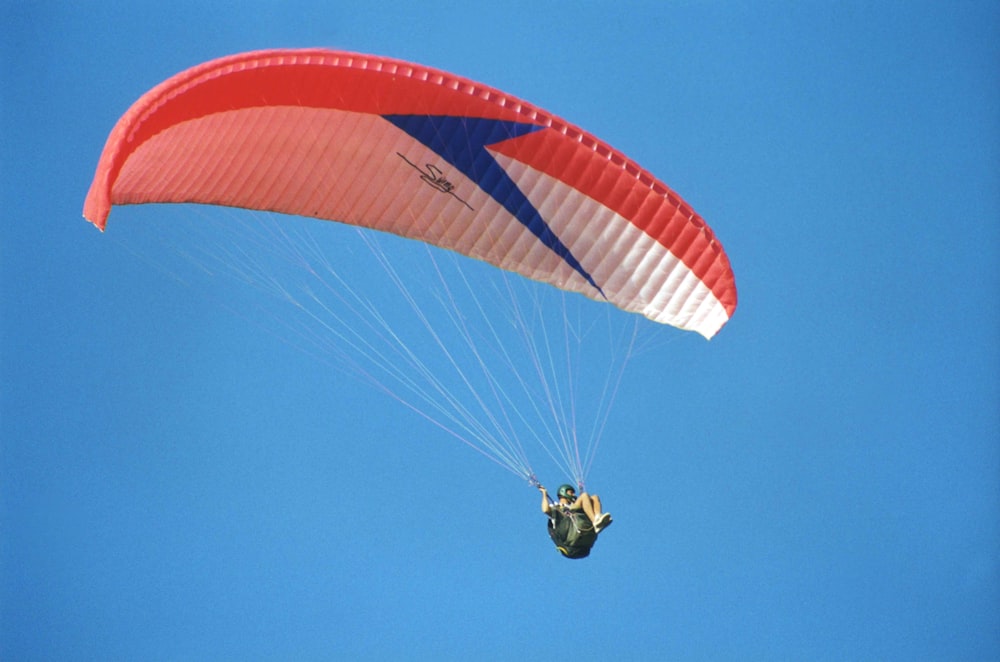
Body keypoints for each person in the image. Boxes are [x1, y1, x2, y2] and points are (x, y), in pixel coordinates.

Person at [538, 484, 613, 559]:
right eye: (571, 492)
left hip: (585, 536)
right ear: (564, 493)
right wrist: (544, 493)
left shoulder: (572, 505)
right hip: (572, 535)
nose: (574, 495)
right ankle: (596, 522)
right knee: (584, 496)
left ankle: (597, 518)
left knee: (594, 497)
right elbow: (545, 510)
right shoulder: (557, 508)